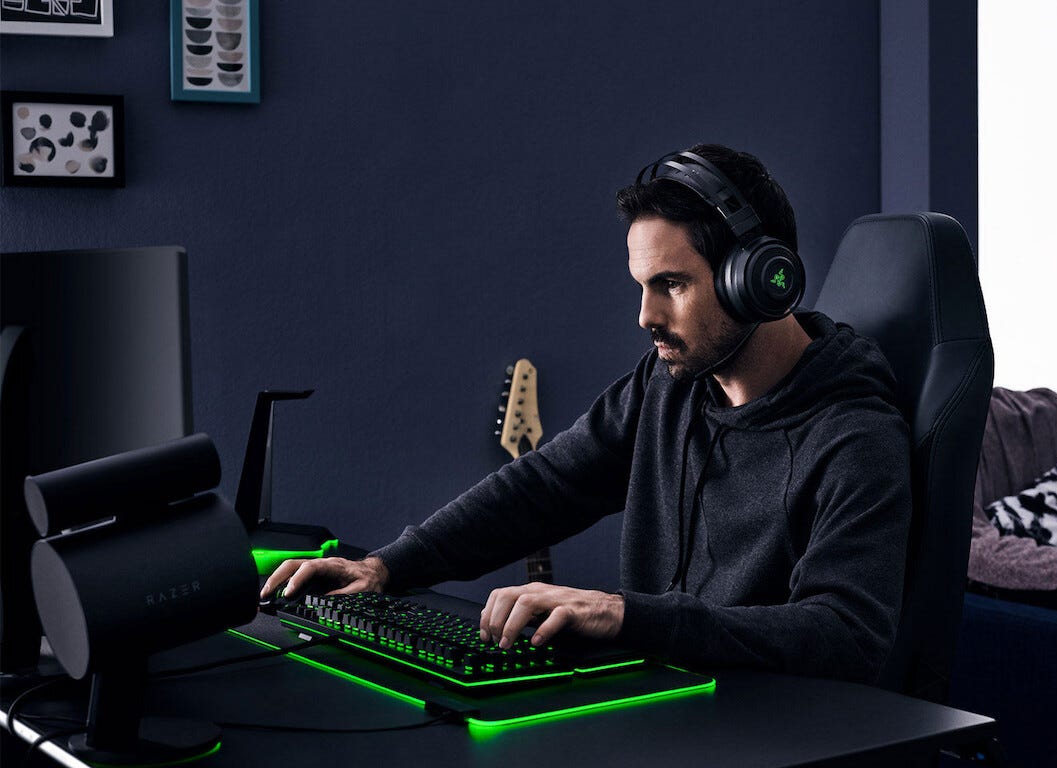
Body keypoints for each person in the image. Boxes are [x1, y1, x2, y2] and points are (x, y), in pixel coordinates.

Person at [261, 144, 912, 683]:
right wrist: (388, 566)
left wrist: (624, 615)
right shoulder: (667, 387)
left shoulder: (854, 436)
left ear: (761, 279)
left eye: (672, 285)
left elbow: (847, 634)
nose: (646, 317)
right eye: (642, 287)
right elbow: (544, 486)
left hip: (767, 744)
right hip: (660, 717)